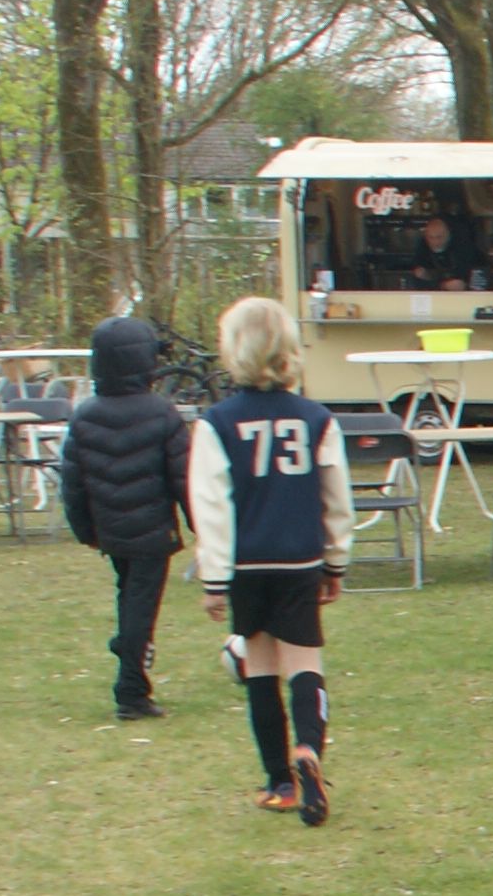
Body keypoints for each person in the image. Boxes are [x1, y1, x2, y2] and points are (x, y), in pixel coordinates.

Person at [185, 297, 351, 824]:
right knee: (305, 663)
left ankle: (280, 781)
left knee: (259, 668)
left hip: (246, 566)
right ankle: (309, 749)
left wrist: (214, 579)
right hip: (300, 560)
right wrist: (335, 561)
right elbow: (336, 498)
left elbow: (211, 507)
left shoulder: (215, 424)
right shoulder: (317, 419)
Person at [57, 314, 190, 720]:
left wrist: (86, 531)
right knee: (140, 605)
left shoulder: (84, 416)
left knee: (130, 595)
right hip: (153, 532)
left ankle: (128, 648)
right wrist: (203, 525)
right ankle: (131, 689)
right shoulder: (163, 414)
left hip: (112, 531)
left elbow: (72, 483)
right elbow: (184, 478)